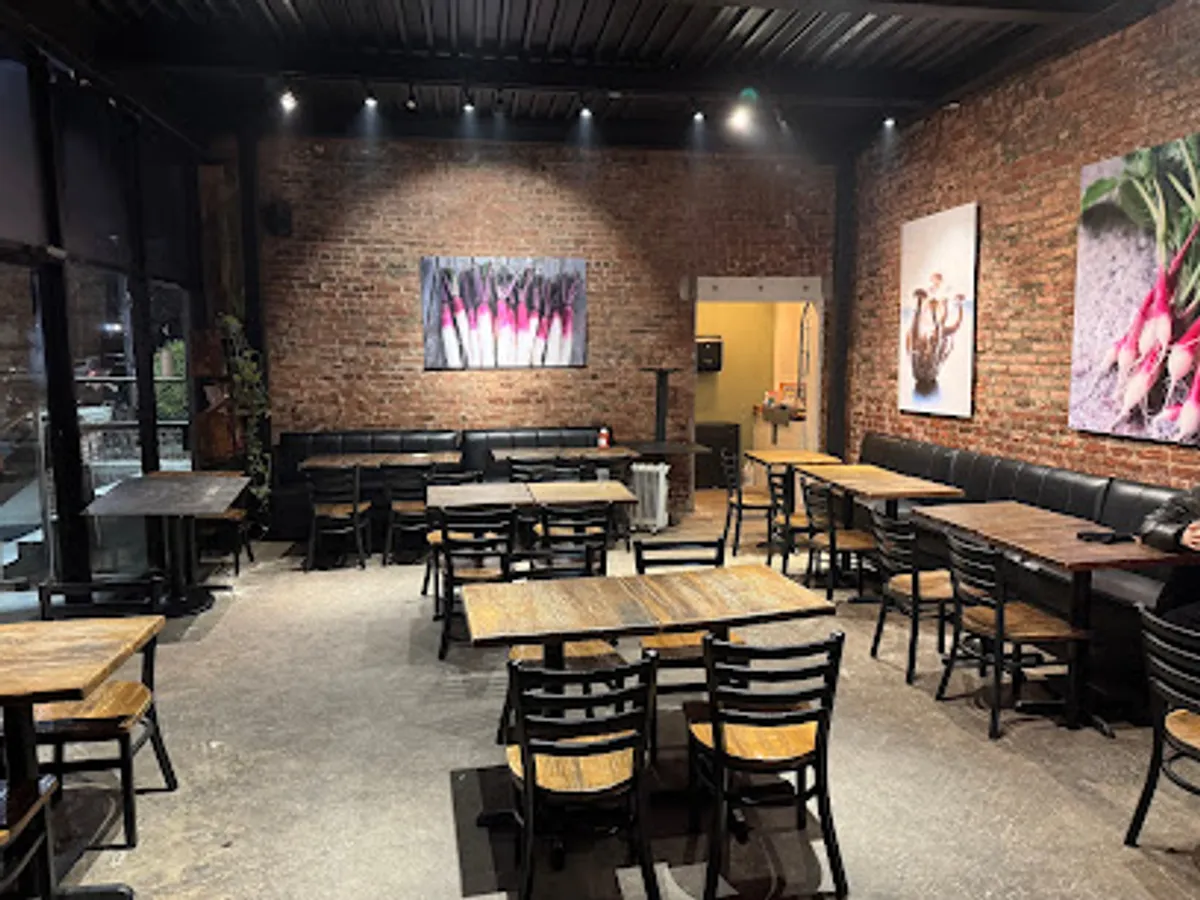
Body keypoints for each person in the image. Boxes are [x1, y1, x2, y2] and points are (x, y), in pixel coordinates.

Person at [1140, 490, 1200, 629]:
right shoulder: (1196, 497)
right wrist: (1180, 536)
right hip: (1186, 591)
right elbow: (1149, 526)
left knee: (1173, 621)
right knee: (1166, 618)